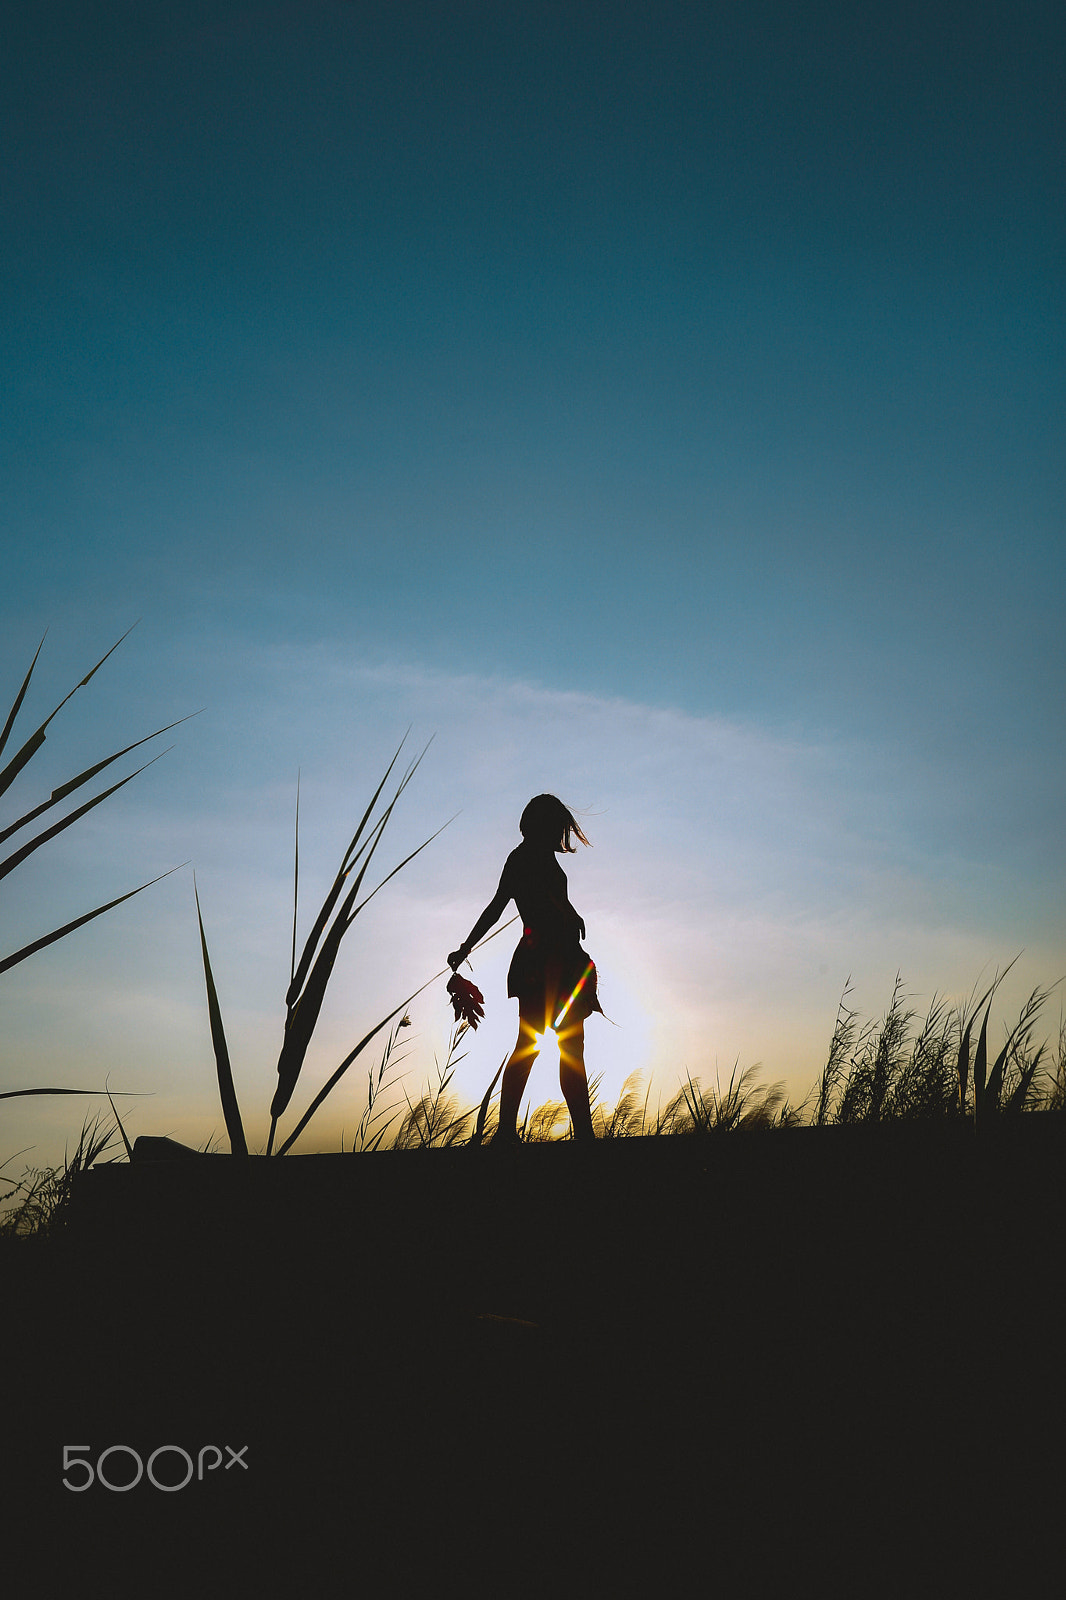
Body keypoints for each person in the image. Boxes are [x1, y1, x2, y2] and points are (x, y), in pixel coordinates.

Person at [448, 794, 602, 1144]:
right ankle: (510, 1132)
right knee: (534, 1043)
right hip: (541, 961)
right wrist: (466, 946)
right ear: (541, 825)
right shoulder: (522, 858)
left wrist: (571, 912)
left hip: (562, 961)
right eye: (557, 827)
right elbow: (498, 906)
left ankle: (580, 1134)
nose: (560, 835)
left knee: (567, 1048)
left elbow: (551, 899)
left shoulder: (541, 857)